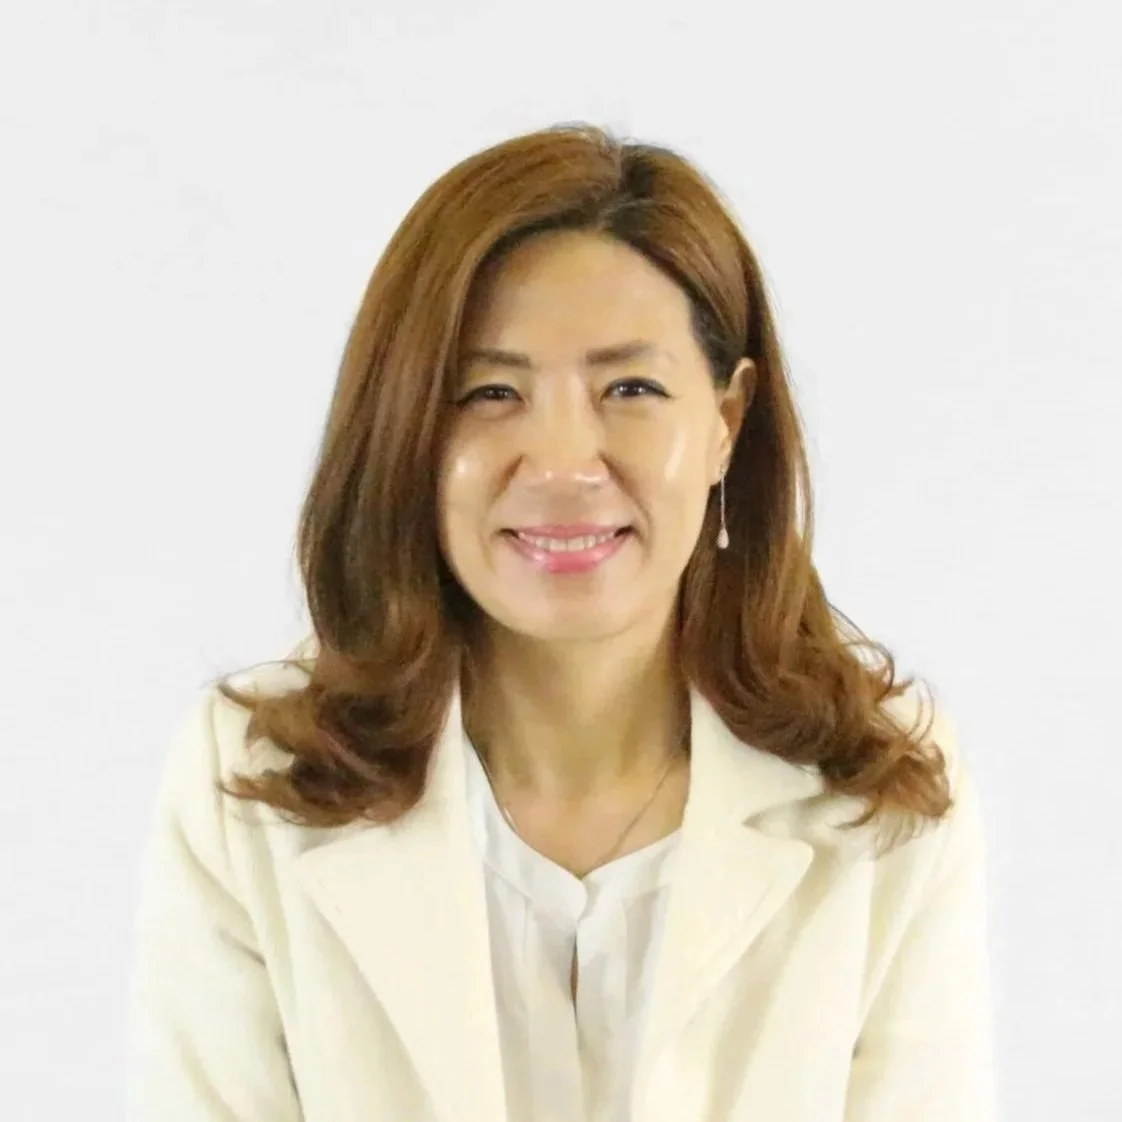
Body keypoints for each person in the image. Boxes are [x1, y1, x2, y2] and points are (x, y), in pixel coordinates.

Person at [124, 123, 996, 1122]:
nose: (564, 462)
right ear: (407, 429)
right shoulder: (252, 786)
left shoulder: (882, 788)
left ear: (726, 423)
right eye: (491, 393)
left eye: (631, 389)